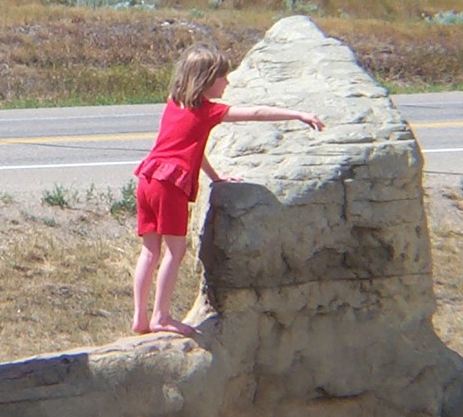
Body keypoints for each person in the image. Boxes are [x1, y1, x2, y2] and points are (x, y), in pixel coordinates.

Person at [133, 45, 324, 337]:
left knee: (150, 251)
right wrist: (298, 114)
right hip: (169, 186)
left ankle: (140, 317)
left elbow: (189, 147)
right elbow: (257, 113)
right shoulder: (209, 110)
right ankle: (161, 316)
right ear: (208, 79)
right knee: (176, 249)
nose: (228, 82)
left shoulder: (174, 102)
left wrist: (216, 177)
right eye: (223, 76)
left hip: (148, 178)